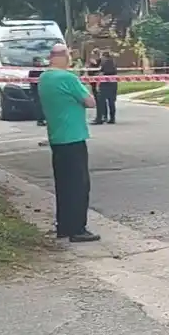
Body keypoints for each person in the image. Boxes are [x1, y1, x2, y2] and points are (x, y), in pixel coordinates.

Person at [37, 44, 100, 242]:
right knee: (78, 185)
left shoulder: (44, 78)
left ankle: (63, 225)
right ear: (63, 57)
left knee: (63, 184)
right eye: (69, 55)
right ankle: (77, 229)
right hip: (73, 136)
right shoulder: (68, 78)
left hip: (56, 137)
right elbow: (90, 102)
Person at [98, 52, 119, 124]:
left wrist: (98, 82)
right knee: (111, 102)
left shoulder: (104, 63)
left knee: (103, 101)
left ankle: (105, 117)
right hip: (113, 83)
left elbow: (101, 73)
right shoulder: (113, 62)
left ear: (104, 56)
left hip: (105, 84)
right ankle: (112, 118)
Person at [88, 49, 104, 125]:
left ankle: (99, 118)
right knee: (98, 101)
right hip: (93, 83)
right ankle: (100, 117)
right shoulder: (94, 61)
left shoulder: (100, 62)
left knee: (99, 101)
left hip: (97, 83)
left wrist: (94, 63)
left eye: (93, 54)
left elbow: (99, 72)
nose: (92, 56)